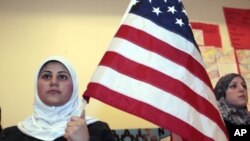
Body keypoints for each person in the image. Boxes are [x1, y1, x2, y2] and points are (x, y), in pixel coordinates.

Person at [0, 56, 115, 141]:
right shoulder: (9, 135)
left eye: (62, 77)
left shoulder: (99, 131)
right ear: (36, 85)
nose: (54, 82)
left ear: (74, 86)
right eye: (46, 76)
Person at [214, 73, 250, 140]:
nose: (242, 89)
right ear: (222, 93)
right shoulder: (216, 122)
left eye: (244, 86)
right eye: (233, 86)